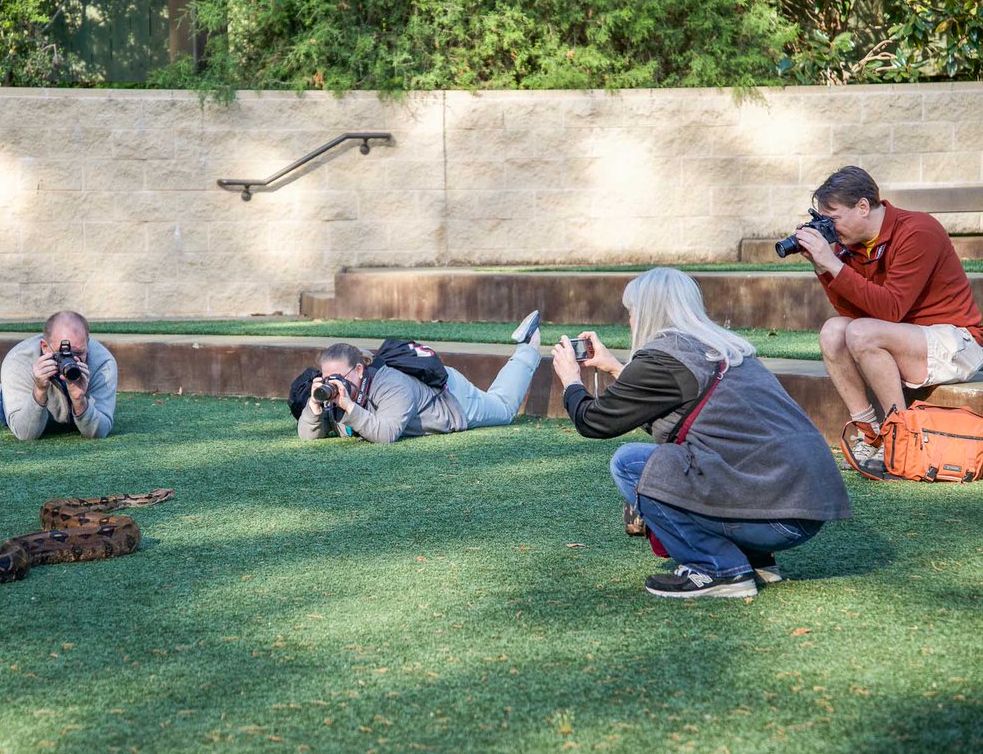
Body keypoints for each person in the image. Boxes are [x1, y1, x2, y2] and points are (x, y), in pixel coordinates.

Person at [551, 268, 850, 599]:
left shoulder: (664, 359)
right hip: (802, 510)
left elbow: (594, 421)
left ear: (648, 312)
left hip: (774, 515)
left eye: (632, 311)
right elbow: (681, 412)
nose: (630, 320)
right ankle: (754, 558)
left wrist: (570, 381)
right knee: (690, 458)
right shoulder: (722, 347)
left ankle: (718, 568)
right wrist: (615, 368)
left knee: (631, 463)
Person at [795, 166, 983, 470]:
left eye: (833, 219)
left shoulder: (918, 230)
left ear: (863, 206)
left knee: (861, 333)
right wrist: (823, 267)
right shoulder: (853, 246)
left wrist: (832, 262)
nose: (830, 228)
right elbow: (854, 313)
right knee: (834, 330)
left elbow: (890, 309)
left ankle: (900, 434)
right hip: (907, 338)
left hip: (958, 344)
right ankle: (869, 434)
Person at [298, 311, 543, 443]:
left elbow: (386, 434)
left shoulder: (391, 384)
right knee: (497, 400)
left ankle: (528, 345)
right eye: (328, 378)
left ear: (360, 370)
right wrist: (314, 408)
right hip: (438, 395)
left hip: (455, 401)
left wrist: (349, 407)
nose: (334, 383)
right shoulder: (337, 395)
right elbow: (308, 437)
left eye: (340, 376)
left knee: (504, 408)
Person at [0, 311, 117, 441]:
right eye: (62, 354)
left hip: (73, 412)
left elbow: (100, 431)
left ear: (87, 345)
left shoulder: (103, 363)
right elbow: (25, 434)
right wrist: (39, 390)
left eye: (78, 352)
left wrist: (80, 400)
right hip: (28, 394)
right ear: (45, 347)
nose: (71, 360)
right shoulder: (18, 361)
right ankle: (2, 391)